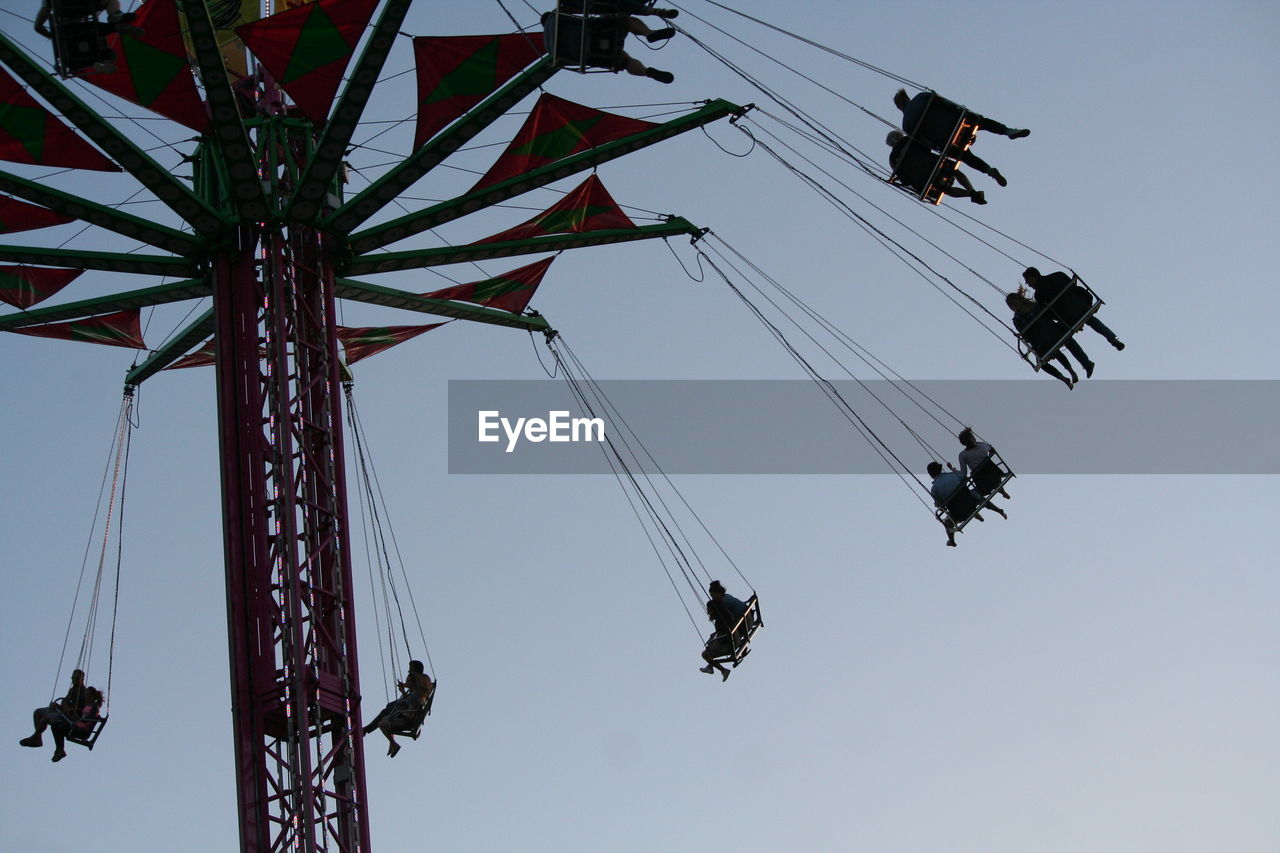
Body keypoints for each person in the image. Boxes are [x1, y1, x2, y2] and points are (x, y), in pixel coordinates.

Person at [542, 10, 676, 84]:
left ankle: (646, 72)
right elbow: (579, 7)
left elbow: (566, 62)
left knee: (625, 61)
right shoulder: (556, 15)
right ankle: (649, 33)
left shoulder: (550, 50)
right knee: (625, 21)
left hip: (594, 55)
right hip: (597, 32)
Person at [1022, 267, 1124, 351]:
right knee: (1090, 319)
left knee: (1062, 336)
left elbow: (1049, 313)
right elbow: (1073, 285)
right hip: (1081, 305)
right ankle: (1112, 338)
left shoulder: (1039, 294)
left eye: (1028, 282)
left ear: (1032, 277)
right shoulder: (1058, 275)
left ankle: (1085, 362)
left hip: (1067, 317)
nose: (1028, 285)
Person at [1006, 291, 1094, 388]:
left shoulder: (1034, 306)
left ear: (1018, 301)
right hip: (1041, 340)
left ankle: (1071, 370)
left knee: (1055, 350)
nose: (1013, 308)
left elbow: (1047, 314)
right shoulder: (1017, 319)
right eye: (1011, 306)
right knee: (1042, 362)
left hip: (1050, 332)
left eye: (1012, 305)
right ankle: (1063, 377)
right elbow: (1026, 335)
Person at [894, 89, 1030, 146]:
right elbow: (945, 103)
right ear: (907, 97)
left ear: (900, 107)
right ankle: (1007, 131)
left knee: (964, 157)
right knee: (981, 122)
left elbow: (923, 142)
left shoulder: (906, 125)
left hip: (944, 140)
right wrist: (961, 110)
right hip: (956, 122)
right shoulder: (921, 97)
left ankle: (988, 171)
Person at [886, 130, 988, 204]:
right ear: (899, 136)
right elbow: (927, 147)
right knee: (955, 172)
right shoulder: (909, 140)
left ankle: (970, 195)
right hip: (935, 165)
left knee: (945, 189)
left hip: (924, 181)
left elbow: (904, 179)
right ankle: (972, 192)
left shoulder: (892, 159)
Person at [19, 669, 94, 762]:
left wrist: (67, 709)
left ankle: (36, 738)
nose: (73, 680)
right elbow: (65, 702)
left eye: (76, 678)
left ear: (82, 678)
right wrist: (58, 706)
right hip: (62, 712)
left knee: (46, 718)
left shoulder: (84, 693)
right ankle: (38, 738)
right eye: (72, 678)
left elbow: (83, 710)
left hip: (69, 717)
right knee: (38, 713)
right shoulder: (72, 690)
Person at [362, 660, 434, 757]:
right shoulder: (418, 692)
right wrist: (403, 691)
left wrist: (397, 713)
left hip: (407, 719)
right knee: (386, 711)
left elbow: (410, 710)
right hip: (406, 714)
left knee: (384, 721)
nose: (408, 672)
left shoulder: (415, 695)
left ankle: (392, 743)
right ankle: (374, 734)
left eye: (410, 671)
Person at [928, 461, 1005, 547]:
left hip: (958, 514)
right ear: (940, 469)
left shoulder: (934, 489)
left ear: (931, 475)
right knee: (976, 495)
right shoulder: (953, 475)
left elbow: (938, 504)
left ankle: (952, 541)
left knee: (947, 523)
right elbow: (964, 478)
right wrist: (953, 470)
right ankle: (998, 510)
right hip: (971, 503)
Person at [699, 580, 748, 682]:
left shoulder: (721, 617)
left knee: (705, 654)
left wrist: (714, 639)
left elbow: (724, 633)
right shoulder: (725, 611)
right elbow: (727, 625)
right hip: (738, 629)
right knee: (712, 647)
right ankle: (711, 667)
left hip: (732, 642)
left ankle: (723, 670)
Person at [958, 427, 1011, 500]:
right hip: (995, 475)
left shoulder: (962, 455)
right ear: (972, 438)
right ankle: (1003, 492)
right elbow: (992, 450)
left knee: (976, 488)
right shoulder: (983, 445)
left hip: (982, 483)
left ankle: (1001, 493)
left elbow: (964, 472)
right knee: (990, 475)